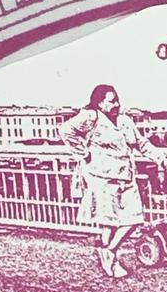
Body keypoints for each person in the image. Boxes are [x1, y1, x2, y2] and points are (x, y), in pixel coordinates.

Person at [60, 83, 156, 278]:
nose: (116, 104)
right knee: (108, 221)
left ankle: (109, 250)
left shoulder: (125, 121)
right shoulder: (91, 117)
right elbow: (66, 131)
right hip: (102, 177)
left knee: (135, 218)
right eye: (111, 101)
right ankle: (110, 261)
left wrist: (161, 158)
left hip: (126, 175)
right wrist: (84, 153)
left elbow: (141, 143)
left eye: (117, 100)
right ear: (100, 103)